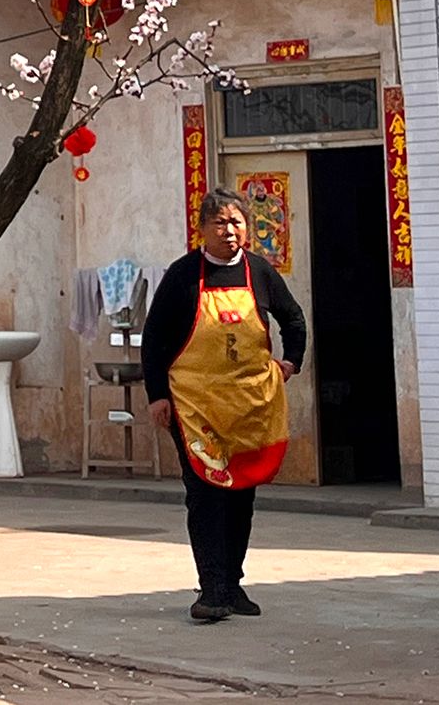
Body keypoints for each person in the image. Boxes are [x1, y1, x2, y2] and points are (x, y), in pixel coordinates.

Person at [142, 190, 308, 624]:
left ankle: (232, 584)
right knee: (205, 492)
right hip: (194, 406)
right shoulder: (182, 275)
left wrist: (291, 361)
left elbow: (293, 318)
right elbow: (154, 337)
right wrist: (157, 395)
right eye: (220, 223)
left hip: (249, 406)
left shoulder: (260, 272)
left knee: (241, 494)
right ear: (201, 229)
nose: (229, 231)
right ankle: (211, 586)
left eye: (236, 222)